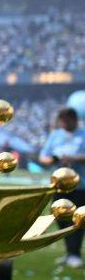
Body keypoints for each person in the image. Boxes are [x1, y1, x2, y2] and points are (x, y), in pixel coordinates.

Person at [39, 106, 85, 268]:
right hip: (58, 185)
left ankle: (75, 253)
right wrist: (53, 160)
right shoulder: (55, 135)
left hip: (80, 185)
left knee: (77, 219)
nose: (63, 123)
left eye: (66, 120)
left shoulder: (83, 134)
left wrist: (75, 158)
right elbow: (43, 156)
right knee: (60, 217)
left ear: (74, 119)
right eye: (62, 120)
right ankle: (69, 252)